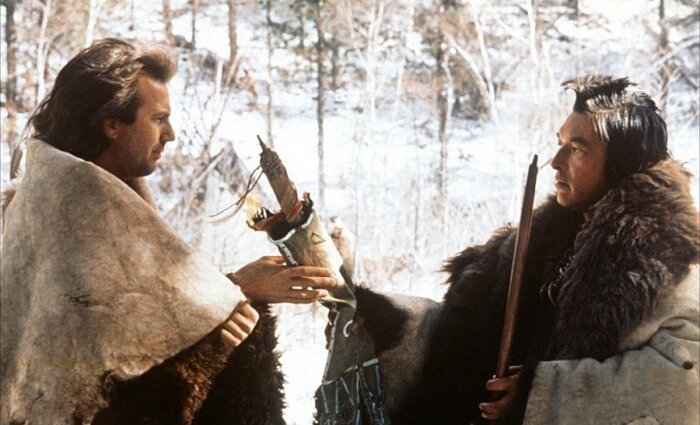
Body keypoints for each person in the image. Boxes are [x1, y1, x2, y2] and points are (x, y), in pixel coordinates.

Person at [1, 38, 335, 424]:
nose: (171, 133)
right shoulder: (77, 214)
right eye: (159, 119)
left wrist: (234, 291)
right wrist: (240, 291)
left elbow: (140, 320)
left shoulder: (85, 199)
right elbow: (109, 379)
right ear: (112, 124)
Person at [353, 75, 699, 424]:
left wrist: (542, 394)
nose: (556, 160)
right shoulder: (539, 242)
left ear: (622, 163)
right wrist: (385, 317)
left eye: (577, 149)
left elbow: (687, 381)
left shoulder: (670, 260)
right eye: (560, 143)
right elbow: (462, 331)